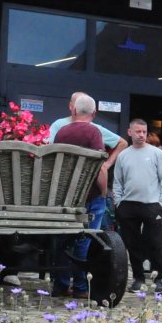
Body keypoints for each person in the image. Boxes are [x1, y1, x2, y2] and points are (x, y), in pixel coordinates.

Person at [50, 93, 109, 298]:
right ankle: (81, 287)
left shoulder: (62, 132)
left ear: (74, 110)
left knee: (63, 240)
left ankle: (60, 285)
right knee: (85, 239)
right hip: (89, 195)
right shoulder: (94, 132)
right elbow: (100, 166)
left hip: (65, 196)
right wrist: (103, 192)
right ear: (94, 113)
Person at [111, 118, 162, 294]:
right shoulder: (123, 155)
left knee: (155, 243)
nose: (141, 135)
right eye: (138, 131)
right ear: (129, 132)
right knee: (132, 244)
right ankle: (138, 278)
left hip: (152, 204)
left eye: (144, 132)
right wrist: (119, 203)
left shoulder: (156, 153)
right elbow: (118, 181)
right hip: (128, 205)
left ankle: (158, 279)